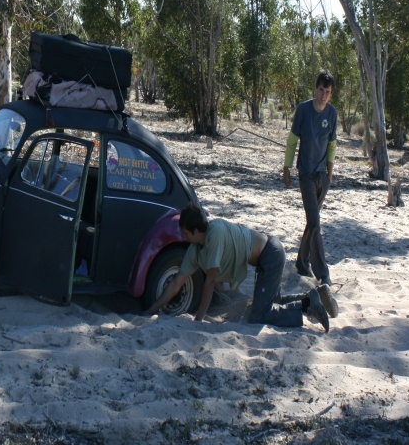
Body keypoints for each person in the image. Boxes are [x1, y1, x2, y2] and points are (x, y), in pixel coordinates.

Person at [144, 203, 335, 332]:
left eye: (185, 232)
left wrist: (198, 320)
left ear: (195, 230)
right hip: (265, 259)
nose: (183, 236)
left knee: (259, 315)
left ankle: (307, 306)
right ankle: (313, 296)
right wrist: (153, 308)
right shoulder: (195, 249)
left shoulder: (215, 233)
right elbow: (178, 281)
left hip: (271, 254)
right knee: (272, 300)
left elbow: (210, 282)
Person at [283, 70, 338, 311]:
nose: (323, 95)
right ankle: (323, 273)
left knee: (311, 221)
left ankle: (301, 262)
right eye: (320, 90)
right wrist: (286, 168)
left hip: (321, 177)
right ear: (315, 88)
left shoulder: (332, 114)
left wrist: (330, 171)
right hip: (305, 174)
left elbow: (333, 144)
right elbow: (292, 141)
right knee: (315, 223)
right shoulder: (303, 110)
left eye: (328, 92)